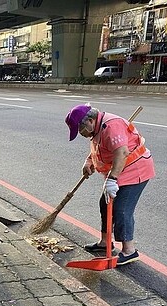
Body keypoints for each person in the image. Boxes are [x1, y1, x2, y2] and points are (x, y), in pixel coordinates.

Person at [65, 104, 155, 266]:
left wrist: (112, 179)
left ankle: (129, 251)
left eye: (80, 129)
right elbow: (101, 147)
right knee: (105, 204)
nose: (81, 134)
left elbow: (122, 153)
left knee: (121, 209)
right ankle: (105, 242)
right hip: (119, 169)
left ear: (91, 121)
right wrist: (89, 160)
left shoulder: (111, 126)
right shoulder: (97, 128)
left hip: (134, 169)